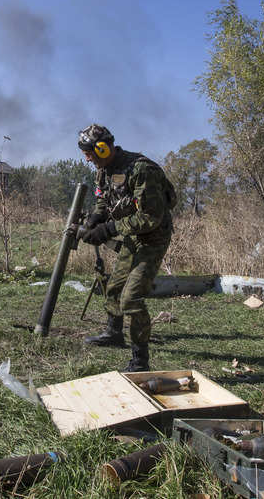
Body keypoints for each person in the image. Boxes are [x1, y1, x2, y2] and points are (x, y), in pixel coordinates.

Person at [77, 124, 175, 372]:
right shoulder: (104, 170)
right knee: (114, 287)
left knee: (131, 298)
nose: (87, 158)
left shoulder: (142, 170)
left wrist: (108, 230)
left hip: (152, 238)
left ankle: (140, 361)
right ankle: (114, 333)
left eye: (89, 153)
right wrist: (93, 222)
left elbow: (150, 217)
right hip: (131, 236)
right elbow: (103, 201)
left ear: (102, 148)